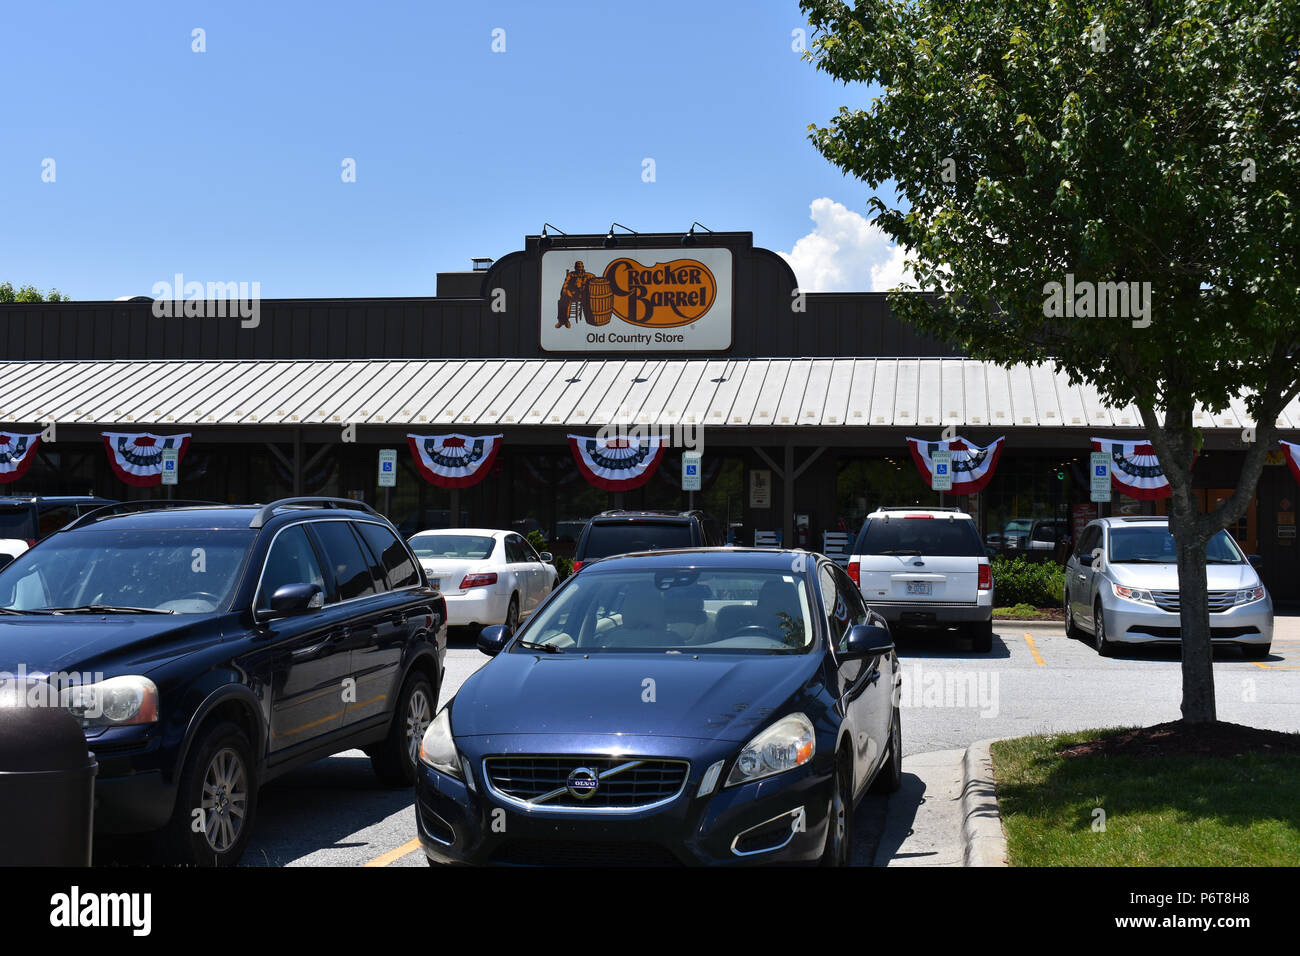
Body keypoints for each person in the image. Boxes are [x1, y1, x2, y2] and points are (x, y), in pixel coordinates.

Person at [556, 261, 597, 328]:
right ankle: (563, 321)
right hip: (573, 295)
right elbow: (565, 283)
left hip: (583, 296)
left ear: (583, 267)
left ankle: (564, 321)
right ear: (575, 268)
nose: (580, 269)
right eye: (578, 267)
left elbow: (595, 280)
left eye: (581, 267)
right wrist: (564, 291)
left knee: (564, 299)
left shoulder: (588, 275)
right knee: (562, 301)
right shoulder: (571, 274)